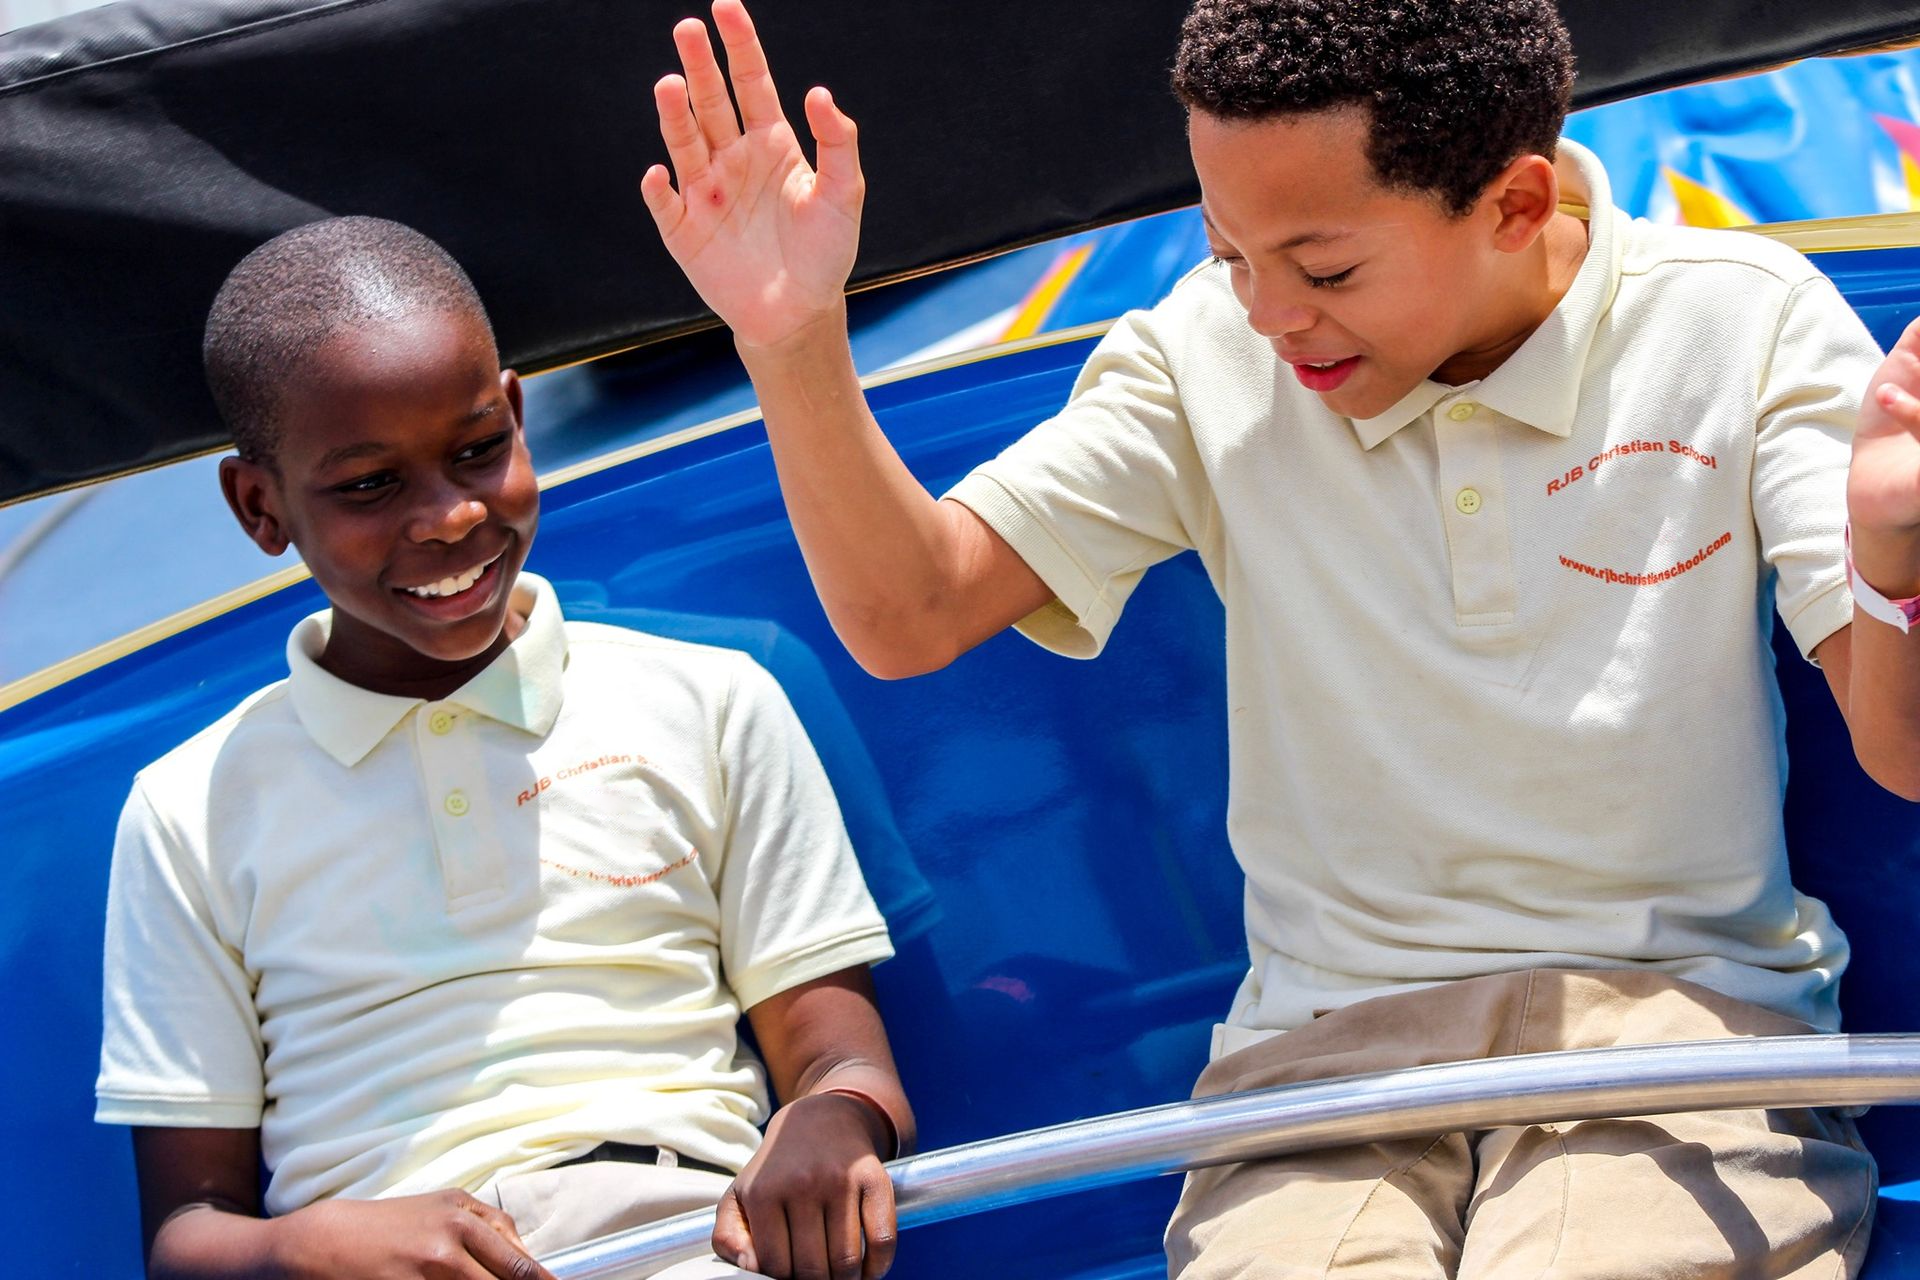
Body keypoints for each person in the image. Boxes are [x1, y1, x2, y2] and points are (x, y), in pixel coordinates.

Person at [640, 0, 1920, 1274]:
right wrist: (791, 337)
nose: (1265, 312)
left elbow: (1900, 744)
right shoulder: (1207, 347)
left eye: (1325, 270)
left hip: (1675, 1040)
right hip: (1324, 1066)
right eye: (1228, 251)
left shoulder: (1742, 319)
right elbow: (912, 612)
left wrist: (1897, 553)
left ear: (1517, 206)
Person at [94, 215, 912, 1280]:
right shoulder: (186, 810)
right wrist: (311, 1244)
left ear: (519, 417)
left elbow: (841, 1056)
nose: (445, 516)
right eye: (368, 485)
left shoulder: (710, 700)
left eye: (478, 449)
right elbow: (188, 1228)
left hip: (688, 1241)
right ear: (262, 505)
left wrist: (834, 1119)